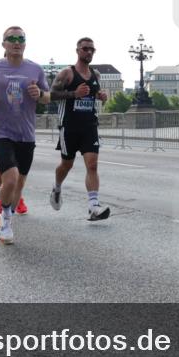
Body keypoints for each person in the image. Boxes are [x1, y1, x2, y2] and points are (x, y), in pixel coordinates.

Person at [0, 27, 50, 244]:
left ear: (25, 43)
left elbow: (47, 96)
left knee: (20, 183)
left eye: (20, 39)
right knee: (11, 177)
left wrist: (40, 94)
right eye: (12, 39)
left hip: (26, 133)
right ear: (4, 43)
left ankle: (6, 214)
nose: (16, 42)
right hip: (1, 132)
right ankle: (5, 219)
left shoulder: (35, 69)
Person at [49, 37, 110, 221]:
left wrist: (101, 95)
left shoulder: (95, 75)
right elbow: (51, 95)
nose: (89, 52)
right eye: (85, 49)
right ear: (77, 50)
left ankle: (93, 206)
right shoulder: (66, 74)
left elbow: (94, 94)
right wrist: (74, 94)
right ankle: (57, 187)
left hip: (89, 126)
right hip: (69, 127)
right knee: (66, 164)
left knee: (92, 165)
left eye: (92, 49)